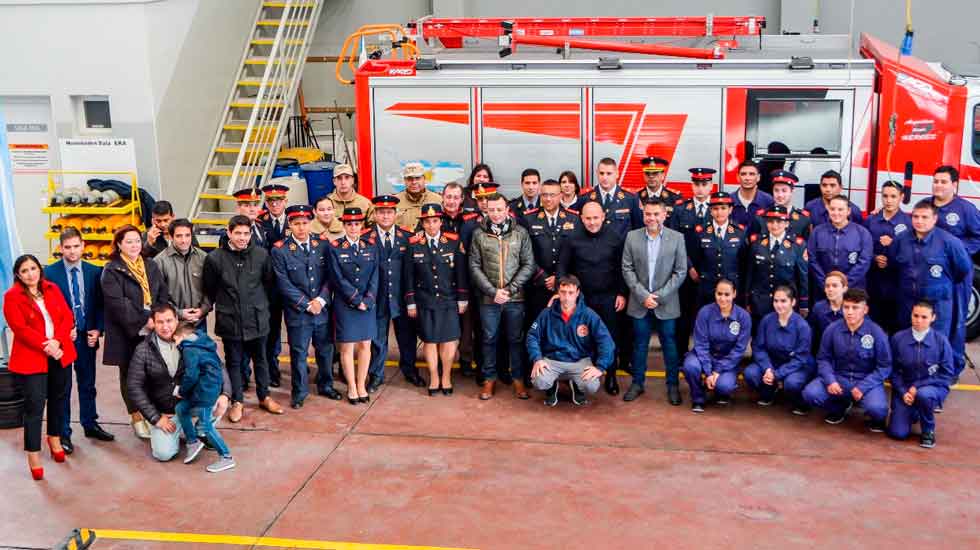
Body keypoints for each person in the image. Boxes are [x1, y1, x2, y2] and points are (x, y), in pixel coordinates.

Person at [203, 215, 283, 422]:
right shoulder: (215, 258)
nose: (242, 238)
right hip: (230, 319)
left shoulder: (261, 255)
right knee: (235, 362)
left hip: (257, 318)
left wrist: (260, 306)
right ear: (229, 233)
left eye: (246, 233)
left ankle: (264, 396)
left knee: (262, 360)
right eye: (237, 233)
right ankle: (237, 401)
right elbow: (210, 288)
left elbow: (268, 284)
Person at [127, 304, 231, 463]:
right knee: (163, 454)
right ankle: (183, 429)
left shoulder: (192, 339)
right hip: (166, 412)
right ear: (153, 323)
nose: (165, 326)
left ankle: (200, 431)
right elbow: (134, 386)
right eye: (160, 322)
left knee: (216, 403)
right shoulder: (143, 349)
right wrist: (155, 418)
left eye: (169, 320)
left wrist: (226, 394)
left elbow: (218, 365)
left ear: (177, 320)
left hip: (191, 402)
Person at [3, 254, 77, 480]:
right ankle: (33, 453)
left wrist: (57, 342)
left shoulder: (52, 288)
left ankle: (54, 438)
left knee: (58, 397)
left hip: (60, 352)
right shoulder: (12, 296)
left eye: (33, 268)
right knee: (35, 406)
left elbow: (66, 317)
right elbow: (20, 328)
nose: (30, 274)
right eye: (24, 271)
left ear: (39, 269)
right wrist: (48, 345)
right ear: (18, 274)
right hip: (32, 357)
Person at [44, 228, 113, 454]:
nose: (72, 251)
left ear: (83, 246)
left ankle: (90, 423)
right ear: (60, 248)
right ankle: (63, 433)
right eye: (67, 247)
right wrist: (60, 334)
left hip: (86, 337)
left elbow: (100, 304)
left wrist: (97, 329)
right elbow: (47, 309)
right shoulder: (50, 274)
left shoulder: (94, 272)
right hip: (63, 340)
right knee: (63, 387)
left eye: (76, 246)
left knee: (88, 382)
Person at [887, 199, 971, 379]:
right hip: (908, 301)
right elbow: (893, 265)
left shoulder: (950, 242)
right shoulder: (901, 240)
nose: (919, 221)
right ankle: (907, 379)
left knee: (936, 342)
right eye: (916, 216)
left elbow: (963, 269)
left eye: (925, 217)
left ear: (934, 219)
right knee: (907, 339)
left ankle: (937, 383)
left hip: (937, 303)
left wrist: (940, 285)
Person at [101, 224, 170, 439]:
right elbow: (118, 304)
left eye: (137, 241)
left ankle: (152, 414)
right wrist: (145, 319)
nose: (134, 245)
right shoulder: (112, 270)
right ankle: (136, 417)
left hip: (152, 327)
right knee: (130, 375)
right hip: (126, 330)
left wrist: (157, 318)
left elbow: (161, 293)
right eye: (128, 241)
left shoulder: (150, 265)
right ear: (119, 245)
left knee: (152, 373)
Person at [271, 205, 342, 408]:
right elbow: (282, 282)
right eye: (296, 224)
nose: (301, 227)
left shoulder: (322, 244)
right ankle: (299, 392)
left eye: (304, 223)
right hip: (298, 313)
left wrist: (321, 300)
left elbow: (331, 276)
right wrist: (305, 304)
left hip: (322, 309)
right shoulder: (280, 250)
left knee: (325, 350)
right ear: (290, 225)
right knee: (299, 353)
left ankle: (326, 385)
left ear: (310, 222)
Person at [558, 201, 629, 396]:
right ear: (581, 218)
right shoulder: (572, 239)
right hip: (581, 299)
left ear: (603, 217)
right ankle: (580, 378)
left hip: (608, 297)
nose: (592, 222)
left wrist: (622, 293)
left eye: (595, 218)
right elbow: (562, 268)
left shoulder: (615, 237)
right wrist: (563, 293)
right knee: (579, 338)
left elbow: (623, 268)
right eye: (588, 218)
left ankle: (611, 375)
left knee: (610, 338)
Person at [469, 193, 535, 400]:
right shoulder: (479, 234)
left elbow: (528, 264)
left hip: (515, 299)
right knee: (489, 339)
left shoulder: (520, 233)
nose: (496, 214)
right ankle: (489, 379)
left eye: (500, 209)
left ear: (507, 210)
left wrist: (510, 289)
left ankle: (518, 380)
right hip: (489, 300)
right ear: (485, 210)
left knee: (516, 339)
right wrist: (492, 291)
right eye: (492, 210)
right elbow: (474, 265)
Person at [622, 198, 687, 404]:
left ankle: (673, 385)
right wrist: (643, 295)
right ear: (643, 215)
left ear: (664, 215)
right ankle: (638, 383)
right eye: (648, 214)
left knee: (669, 344)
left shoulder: (677, 238)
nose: (652, 218)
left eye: (656, 214)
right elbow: (627, 268)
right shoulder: (632, 237)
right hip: (640, 302)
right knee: (640, 345)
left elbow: (680, 271)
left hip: (666, 303)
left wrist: (658, 296)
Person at [802, 288, 891, 430]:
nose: (850, 312)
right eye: (846, 307)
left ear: (865, 310)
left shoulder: (876, 332)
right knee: (810, 394)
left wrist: (863, 387)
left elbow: (884, 366)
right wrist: (830, 381)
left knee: (877, 409)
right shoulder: (832, 329)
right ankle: (839, 406)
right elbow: (823, 359)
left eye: (855, 308)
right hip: (839, 377)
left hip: (865, 380)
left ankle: (874, 415)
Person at [405, 204, 469, 395]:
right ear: (422, 223)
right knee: (430, 341)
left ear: (441, 221)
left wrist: (462, 298)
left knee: (449, 340)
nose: (431, 225)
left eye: (435, 221)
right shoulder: (414, 243)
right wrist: (410, 301)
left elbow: (461, 273)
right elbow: (408, 276)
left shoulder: (453, 242)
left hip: (449, 298)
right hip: (425, 300)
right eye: (427, 221)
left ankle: (446, 376)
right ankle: (434, 377)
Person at [519, 179, 579, 378]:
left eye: (553, 194)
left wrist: (559, 280)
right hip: (537, 285)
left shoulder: (573, 218)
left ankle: (563, 373)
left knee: (563, 329)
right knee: (535, 328)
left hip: (565, 288)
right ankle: (534, 370)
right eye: (544, 195)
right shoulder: (527, 219)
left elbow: (575, 255)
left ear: (561, 196)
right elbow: (525, 253)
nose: (548, 199)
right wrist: (543, 276)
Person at [527, 275, 615, 406]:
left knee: (591, 386)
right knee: (539, 381)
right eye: (563, 292)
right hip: (552, 360)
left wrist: (600, 367)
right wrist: (537, 359)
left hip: (579, 361)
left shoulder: (589, 315)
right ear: (558, 292)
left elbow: (606, 341)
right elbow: (532, 336)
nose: (567, 297)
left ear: (577, 293)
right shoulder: (546, 314)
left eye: (571, 293)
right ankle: (552, 386)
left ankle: (576, 384)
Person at [367, 195, 422, 392]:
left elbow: (414, 270)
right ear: (374, 214)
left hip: (402, 297)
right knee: (378, 338)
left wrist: (413, 298)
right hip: (377, 297)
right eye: (381, 212)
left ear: (396, 214)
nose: (385, 216)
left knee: (407, 337)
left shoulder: (407, 237)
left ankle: (409, 370)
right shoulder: (367, 237)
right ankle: (376, 375)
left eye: (389, 212)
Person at [929, 164, 980, 378]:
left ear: (954, 185)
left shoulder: (966, 209)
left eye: (943, 182)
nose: (938, 185)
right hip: (929, 276)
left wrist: (956, 252)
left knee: (955, 321)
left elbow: (977, 238)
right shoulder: (924, 206)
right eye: (936, 181)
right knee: (930, 320)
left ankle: (953, 367)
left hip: (957, 275)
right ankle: (929, 364)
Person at [327, 207, 379, 405]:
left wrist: (369, 300)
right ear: (344, 225)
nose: (354, 228)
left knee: (366, 345)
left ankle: (361, 384)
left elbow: (375, 274)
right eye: (349, 224)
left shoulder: (371, 246)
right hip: (346, 303)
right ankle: (351, 386)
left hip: (368, 304)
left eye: (357, 224)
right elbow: (337, 278)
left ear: (362, 225)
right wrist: (357, 300)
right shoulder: (335, 247)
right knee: (347, 346)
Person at [887, 301, 955, 448]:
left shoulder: (941, 341)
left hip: (932, 387)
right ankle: (914, 412)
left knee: (924, 395)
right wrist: (903, 391)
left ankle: (928, 430)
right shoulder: (898, 339)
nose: (918, 320)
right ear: (910, 315)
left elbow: (947, 374)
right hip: (905, 390)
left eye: (924, 317)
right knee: (897, 433)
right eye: (915, 315)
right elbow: (892, 371)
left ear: (933, 318)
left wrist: (917, 387)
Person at [681, 279, 751, 413]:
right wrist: (708, 372)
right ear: (715, 294)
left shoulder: (744, 317)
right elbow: (701, 344)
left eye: (727, 294)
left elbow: (739, 350)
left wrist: (717, 371)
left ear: (734, 294)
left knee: (725, 386)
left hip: (727, 361)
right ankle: (698, 397)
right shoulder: (705, 312)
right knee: (690, 367)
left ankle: (718, 390)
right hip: (705, 356)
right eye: (719, 294)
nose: (723, 298)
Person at [173, 324, 236, 473]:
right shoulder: (203, 344)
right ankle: (192, 441)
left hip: (204, 393)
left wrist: (181, 391)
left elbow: (191, 375)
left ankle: (226, 456)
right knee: (181, 408)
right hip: (208, 389)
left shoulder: (189, 349)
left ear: (181, 337)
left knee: (206, 426)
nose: (174, 343)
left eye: (174, 339)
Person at [743, 286, 815, 414]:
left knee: (792, 383)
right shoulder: (767, 320)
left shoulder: (802, 326)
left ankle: (800, 402)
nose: (778, 305)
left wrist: (777, 374)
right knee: (750, 373)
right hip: (772, 363)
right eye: (776, 301)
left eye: (783, 301)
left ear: (793, 302)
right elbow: (759, 347)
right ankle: (769, 391)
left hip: (796, 366)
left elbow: (800, 358)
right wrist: (768, 369)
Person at [438, 182, 481, 378]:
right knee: (443, 325)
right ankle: (443, 361)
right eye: (449, 197)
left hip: (467, 280)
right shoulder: (433, 219)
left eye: (456, 197)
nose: (452, 201)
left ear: (462, 199)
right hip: (442, 282)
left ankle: (465, 360)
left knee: (468, 325)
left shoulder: (472, 221)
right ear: (442, 197)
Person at [669, 167, 714, 357]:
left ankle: (707, 355)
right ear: (692, 185)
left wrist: (703, 270)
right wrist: (689, 267)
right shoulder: (680, 209)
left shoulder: (719, 208)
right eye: (697, 184)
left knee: (710, 317)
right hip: (685, 272)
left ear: (711, 186)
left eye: (704, 184)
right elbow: (674, 241)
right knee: (684, 316)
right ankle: (680, 355)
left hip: (711, 273)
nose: (700, 189)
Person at [744, 206, 808, 325]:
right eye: (770, 221)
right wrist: (747, 300)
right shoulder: (756, 243)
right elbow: (750, 273)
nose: (774, 225)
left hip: (786, 304)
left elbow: (802, 277)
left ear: (787, 223)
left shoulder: (797, 245)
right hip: (760, 302)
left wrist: (804, 302)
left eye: (779, 221)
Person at [863, 181, 911, 333]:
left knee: (893, 323)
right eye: (885, 196)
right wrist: (873, 257)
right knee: (872, 321)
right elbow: (861, 246)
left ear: (901, 197)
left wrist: (893, 245)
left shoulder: (908, 223)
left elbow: (911, 254)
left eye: (893, 196)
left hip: (895, 283)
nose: (888, 200)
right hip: (873, 281)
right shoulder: (871, 220)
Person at [807, 194, 873, 300]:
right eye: (832, 209)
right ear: (828, 209)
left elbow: (864, 262)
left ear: (848, 211)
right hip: (823, 291)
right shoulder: (817, 232)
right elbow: (812, 259)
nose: (836, 213)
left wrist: (844, 285)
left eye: (840, 209)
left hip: (853, 291)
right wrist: (827, 284)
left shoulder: (863, 233)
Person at [688, 191, 747, 307]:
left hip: (731, 288)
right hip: (707, 288)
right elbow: (694, 258)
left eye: (723, 208)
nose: (719, 212)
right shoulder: (701, 232)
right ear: (710, 210)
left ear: (730, 210)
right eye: (715, 208)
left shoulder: (740, 232)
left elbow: (744, 262)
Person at [256, 184, 289, 389]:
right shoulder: (260, 223)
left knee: (299, 331)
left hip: (294, 286)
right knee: (272, 331)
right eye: (270, 201)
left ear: (286, 201)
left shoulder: (295, 220)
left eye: (279, 200)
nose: (275, 204)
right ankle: (272, 369)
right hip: (271, 288)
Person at [153, 219, 210, 327]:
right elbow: (158, 296)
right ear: (170, 237)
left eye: (187, 235)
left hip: (199, 321)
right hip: (173, 323)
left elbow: (210, 289)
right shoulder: (159, 261)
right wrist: (179, 313)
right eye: (179, 236)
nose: (184, 240)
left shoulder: (203, 258)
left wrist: (203, 309)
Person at [574, 157, 642, 239]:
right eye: (601, 173)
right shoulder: (584, 198)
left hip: (621, 250)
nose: (604, 177)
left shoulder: (631, 198)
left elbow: (638, 229)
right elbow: (579, 229)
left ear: (617, 174)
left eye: (609, 173)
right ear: (597, 173)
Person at [748, 170, 811, 239]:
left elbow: (806, 247)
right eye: (776, 190)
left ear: (792, 191)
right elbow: (753, 244)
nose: (780, 195)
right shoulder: (761, 217)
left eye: (784, 191)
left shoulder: (803, 219)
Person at [809, 271, 848, 354]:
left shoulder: (852, 309)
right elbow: (811, 335)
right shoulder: (818, 308)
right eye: (827, 286)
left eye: (835, 286)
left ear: (844, 289)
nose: (830, 289)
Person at [396, 162, 442, 230]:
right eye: (409, 179)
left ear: (424, 179)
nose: (414, 182)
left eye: (417, 178)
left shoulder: (438, 200)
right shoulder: (395, 201)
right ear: (404, 181)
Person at [731, 160, 774, 228]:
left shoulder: (768, 201)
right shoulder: (729, 200)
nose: (747, 178)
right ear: (737, 177)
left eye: (752, 174)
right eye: (743, 174)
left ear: (758, 177)